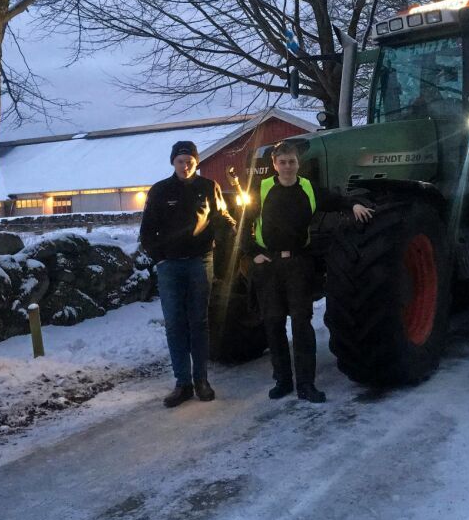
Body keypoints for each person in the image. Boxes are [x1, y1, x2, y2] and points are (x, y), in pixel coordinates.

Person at [249, 140, 374, 403]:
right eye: (282, 162)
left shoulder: (307, 188)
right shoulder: (262, 189)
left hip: (298, 264)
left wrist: (353, 205)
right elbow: (240, 223)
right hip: (269, 265)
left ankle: (306, 384)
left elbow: (334, 199)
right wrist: (252, 254)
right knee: (273, 324)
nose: (287, 167)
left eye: (291, 162)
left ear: (298, 164)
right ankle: (282, 380)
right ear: (274, 164)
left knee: (301, 324)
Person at [140, 140, 236, 408]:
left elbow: (221, 216)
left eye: (190, 161)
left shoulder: (208, 188)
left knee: (199, 322)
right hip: (169, 266)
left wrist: (232, 229)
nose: (185, 165)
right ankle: (182, 383)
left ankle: (201, 380)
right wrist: (160, 259)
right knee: (175, 325)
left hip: (199, 262)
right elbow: (147, 232)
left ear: (197, 162)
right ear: (173, 162)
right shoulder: (159, 191)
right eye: (181, 161)